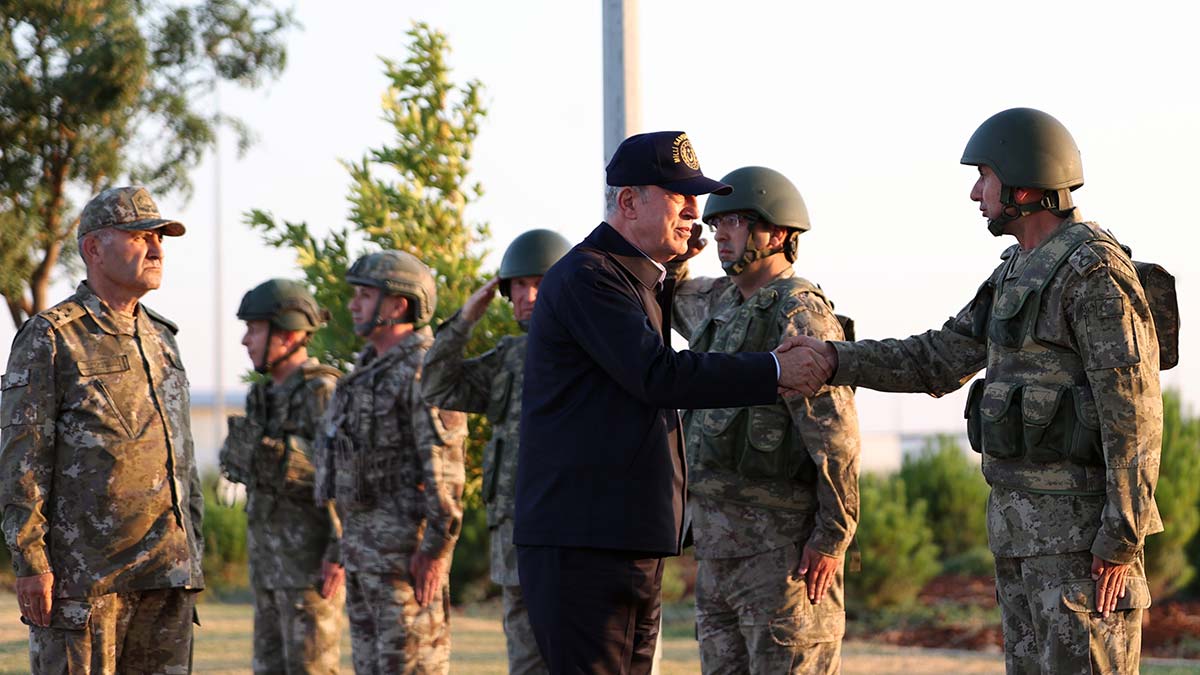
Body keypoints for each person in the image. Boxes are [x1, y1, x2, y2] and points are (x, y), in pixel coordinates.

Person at [784, 108, 1164, 674]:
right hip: (1020, 539)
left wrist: (1120, 539)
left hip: (1083, 552)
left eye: (984, 175)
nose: (974, 193)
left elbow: (1134, 414)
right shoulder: (1015, 269)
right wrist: (838, 357)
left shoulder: (1093, 273)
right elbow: (939, 358)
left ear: (1026, 184)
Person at [515, 131, 835, 673]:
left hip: (622, 538)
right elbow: (657, 375)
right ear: (629, 201)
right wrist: (775, 369)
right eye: (678, 196)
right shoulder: (590, 278)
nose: (696, 211)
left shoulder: (637, 279)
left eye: (697, 198)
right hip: (584, 543)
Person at [0, 186, 204, 673]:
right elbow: (21, 458)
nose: (156, 248)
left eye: (160, 237)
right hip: (85, 581)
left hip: (167, 575)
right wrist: (32, 561)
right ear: (94, 248)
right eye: (139, 236)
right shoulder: (51, 336)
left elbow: (184, 457)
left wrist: (193, 551)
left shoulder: (163, 338)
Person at [671, 166, 861, 674]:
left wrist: (831, 538)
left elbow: (835, 438)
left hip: (783, 557)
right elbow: (672, 295)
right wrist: (678, 256)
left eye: (733, 222)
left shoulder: (800, 312)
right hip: (716, 551)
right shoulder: (722, 303)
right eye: (715, 224)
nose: (718, 234)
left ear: (776, 233)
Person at [422, 228, 571, 674]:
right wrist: (465, 319)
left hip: (570, 541)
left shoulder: (593, 353)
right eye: (518, 286)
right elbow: (437, 384)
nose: (527, 295)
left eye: (539, 283)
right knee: (525, 665)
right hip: (514, 539)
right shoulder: (510, 356)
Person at [313, 250, 467, 674]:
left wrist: (435, 552)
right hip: (364, 557)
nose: (352, 305)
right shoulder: (364, 372)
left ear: (398, 304)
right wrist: (339, 549)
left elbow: (446, 471)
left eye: (364, 295)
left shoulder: (424, 370)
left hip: (407, 564)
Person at [220, 278, 345, 674]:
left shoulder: (322, 391)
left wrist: (338, 555)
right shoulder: (263, 395)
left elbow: (344, 477)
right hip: (269, 566)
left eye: (254, 329)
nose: (245, 340)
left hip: (310, 569)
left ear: (289, 334)